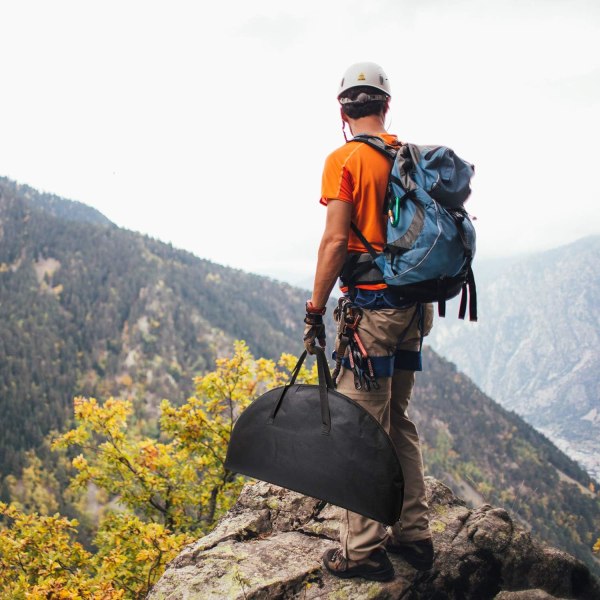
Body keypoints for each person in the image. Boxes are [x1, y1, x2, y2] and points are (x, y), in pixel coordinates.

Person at [303, 62, 434, 582]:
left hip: (372, 314)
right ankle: (415, 535)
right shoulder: (410, 156)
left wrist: (315, 310)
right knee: (397, 419)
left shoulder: (345, 159)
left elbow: (336, 241)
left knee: (361, 428)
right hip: (415, 308)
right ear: (385, 106)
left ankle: (361, 552)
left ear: (343, 110)